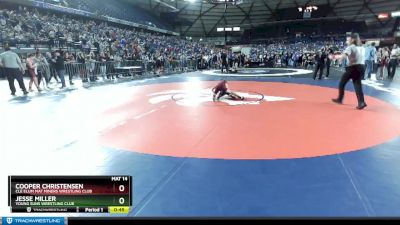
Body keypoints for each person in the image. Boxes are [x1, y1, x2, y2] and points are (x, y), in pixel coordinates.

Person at [332, 33, 367, 110]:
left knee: (342, 83)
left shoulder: (350, 47)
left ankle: (340, 99)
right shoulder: (359, 47)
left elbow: (344, 56)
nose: (346, 41)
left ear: (352, 40)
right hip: (361, 67)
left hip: (353, 68)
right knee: (358, 85)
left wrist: (335, 57)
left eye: (348, 39)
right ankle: (361, 102)